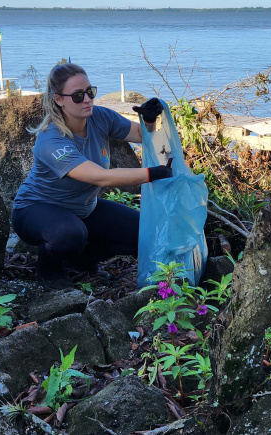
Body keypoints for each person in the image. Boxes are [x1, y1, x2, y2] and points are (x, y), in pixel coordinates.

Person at [11, 62, 169, 289]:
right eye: (77, 96)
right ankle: (49, 271)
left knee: (144, 233)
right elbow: (100, 177)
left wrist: (149, 119)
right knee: (69, 233)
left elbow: (141, 135)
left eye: (89, 92)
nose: (87, 99)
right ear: (59, 99)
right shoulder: (50, 140)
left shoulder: (100, 117)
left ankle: (82, 260)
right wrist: (152, 174)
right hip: (36, 209)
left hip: (83, 209)